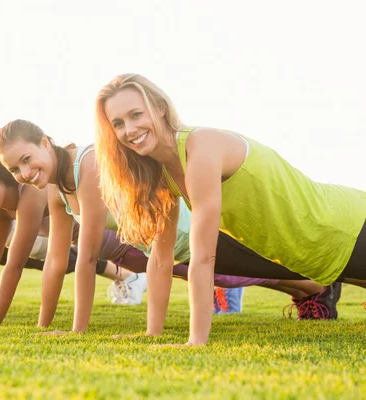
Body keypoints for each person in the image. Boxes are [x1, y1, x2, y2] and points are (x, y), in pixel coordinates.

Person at [94, 73, 366, 345]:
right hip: (314, 255)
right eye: (118, 123)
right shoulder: (163, 174)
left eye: (136, 115)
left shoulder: (201, 147)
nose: (129, 130)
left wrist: (196, 341)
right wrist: (152, 333)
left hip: (345, 228)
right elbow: (160, 260)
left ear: (160, 108)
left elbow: (203, 258)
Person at [0, 121, 334, 334]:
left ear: (44, 142)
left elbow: (85, 258)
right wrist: (43, 327)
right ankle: (321, 288)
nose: (24, 173)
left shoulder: (88, 165)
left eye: (26, 159)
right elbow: (56, 262)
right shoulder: (56, 188)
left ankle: (329, 281)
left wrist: (77, 331)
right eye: (14, 170)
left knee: (286, 258)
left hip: (194, 230)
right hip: (169, 247)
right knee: (260, 270)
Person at [0, 139, 147, 327]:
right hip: (113, 252)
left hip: (127, 242)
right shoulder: (1, 211)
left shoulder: (31, 193)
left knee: (175, 265)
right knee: (169, 267)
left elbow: (14, 265)